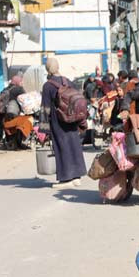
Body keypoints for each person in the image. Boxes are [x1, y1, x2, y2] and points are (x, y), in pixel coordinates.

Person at [39, 58, 87, 189]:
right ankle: (77, 177)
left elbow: (45, 108)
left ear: (47, 69)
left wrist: (44, 130)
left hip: (58, 121)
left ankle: (66, 178)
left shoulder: (48, 86)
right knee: (74, 145)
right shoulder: (68, 81)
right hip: (72, 119)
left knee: (62, 147)